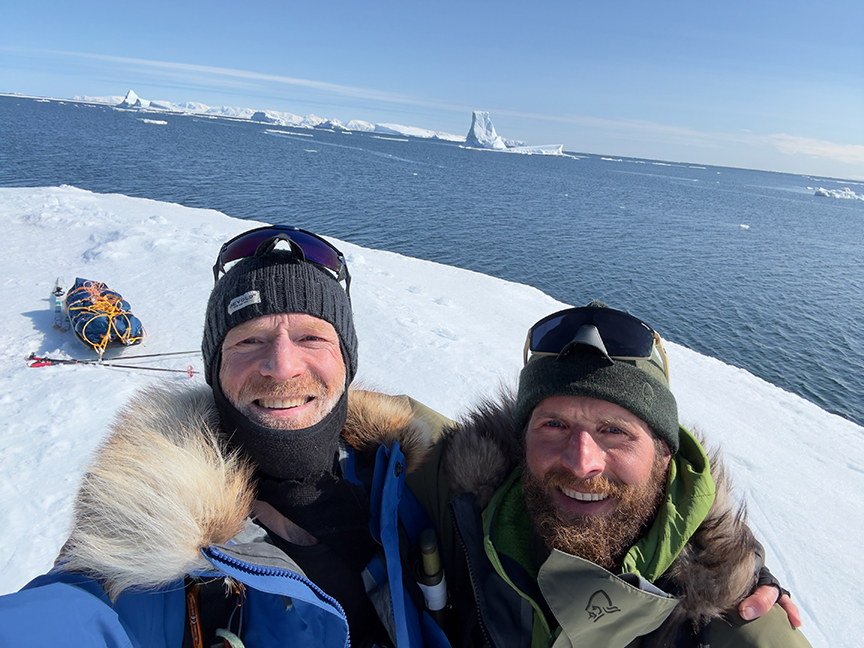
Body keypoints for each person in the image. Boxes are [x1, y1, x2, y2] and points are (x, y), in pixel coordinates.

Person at [0, 228, 793, 648]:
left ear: (347, 360)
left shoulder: (416, 476)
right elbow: (70, 619)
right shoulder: (147, 542)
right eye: (247, 343)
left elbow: (580, 498)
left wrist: (724, 568)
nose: (282, 367)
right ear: (213, 368)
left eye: (311, 337)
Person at [415, 302, 810, 648]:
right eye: (554, 425)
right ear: (521, 442)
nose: (581, 462)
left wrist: (728, 560)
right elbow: (384, 419)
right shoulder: (469, 505)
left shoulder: (736, 627)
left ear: (663, 455)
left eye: (615, 431)